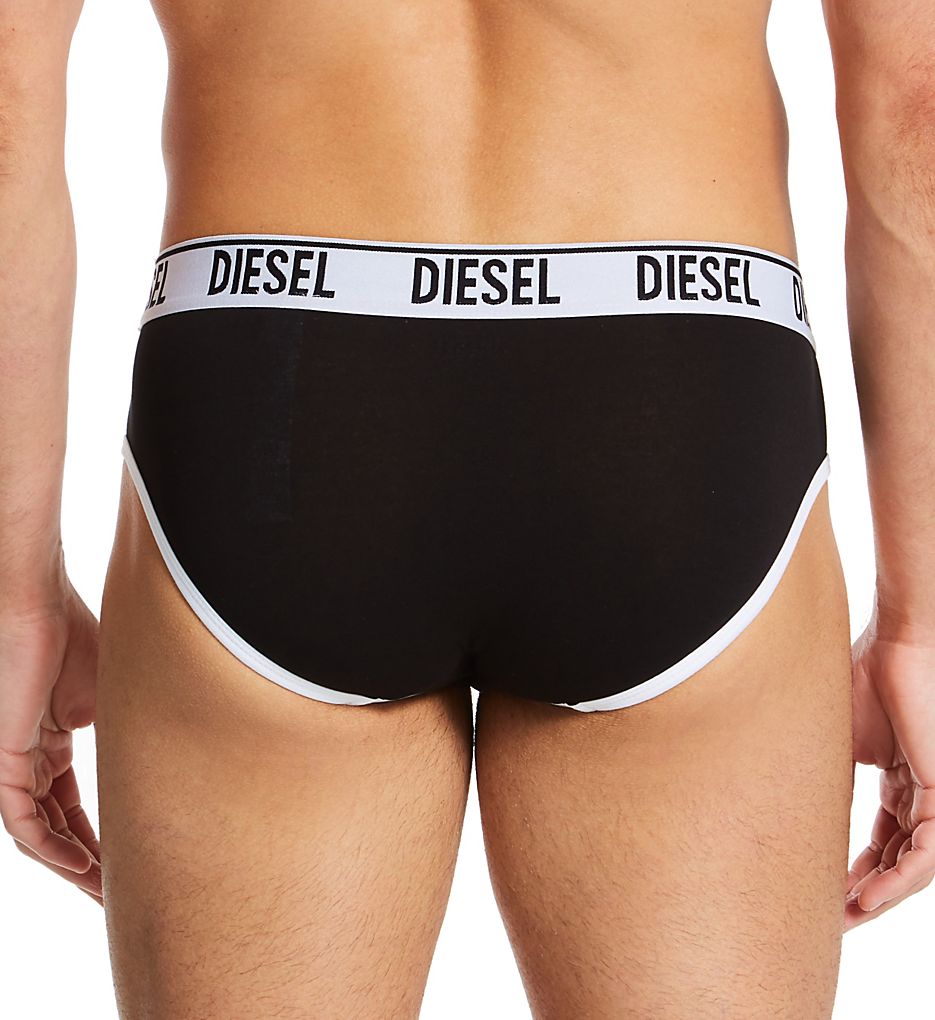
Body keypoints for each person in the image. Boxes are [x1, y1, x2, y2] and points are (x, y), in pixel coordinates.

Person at [1, 0, 933, 1016]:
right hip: (675, 379)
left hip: (279, 384)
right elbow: (913, 112)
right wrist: (919, 623)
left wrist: (16, 602)